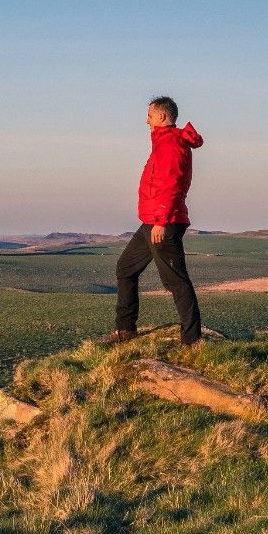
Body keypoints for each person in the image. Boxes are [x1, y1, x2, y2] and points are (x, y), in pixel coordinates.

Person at [104, 96, 204, 347]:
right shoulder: (164, 142)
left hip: (163, 222)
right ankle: (125, 330)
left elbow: (171, 184)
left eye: (149, 115)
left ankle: (192, 340)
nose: (146, 121)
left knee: (175, 280)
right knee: (126, 268)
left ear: (161, 116)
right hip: (153, 220)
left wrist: (161, 221)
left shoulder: (170, 143)